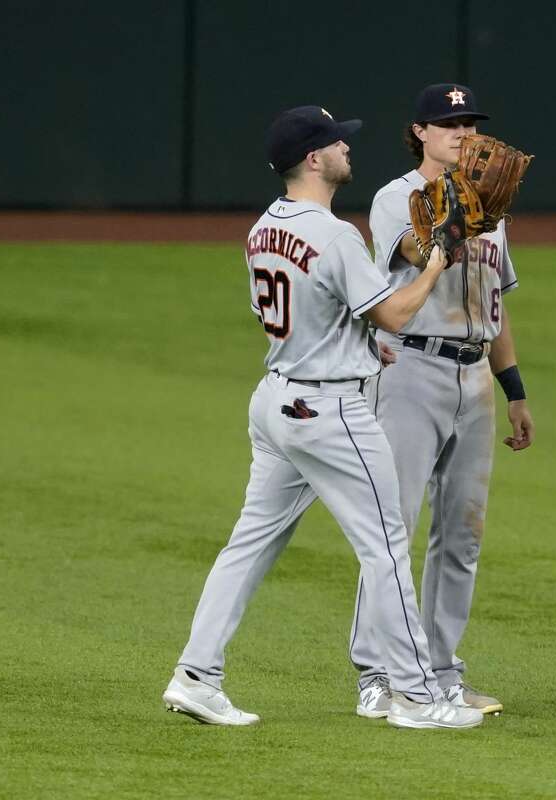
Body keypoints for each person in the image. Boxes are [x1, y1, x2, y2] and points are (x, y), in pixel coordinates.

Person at [162, 105, 483, 730]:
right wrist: (439, 260)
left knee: (248, 544)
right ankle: (415, 696)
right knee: (387, 545)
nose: (347, 149)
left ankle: (196, 675)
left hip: (276, 399)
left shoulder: (261, 229)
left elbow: (316, 313)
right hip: (330, 410)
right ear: (314, 159)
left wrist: (362, 346)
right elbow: (393, 313)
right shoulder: (334, 234)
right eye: (338, 143)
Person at [348, 83, 534, 719]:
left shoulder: (494, 209)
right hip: (412, 371)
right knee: (390, 527)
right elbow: (416, 252)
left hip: (476, 378)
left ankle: (440, 671)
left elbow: (495, 305)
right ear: (420, 132)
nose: (462, 132)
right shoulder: (396, 197)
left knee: (461, 536)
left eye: (469, 123)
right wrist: (461, 215)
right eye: (448, 123)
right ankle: (377, 675)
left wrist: (515, 391)